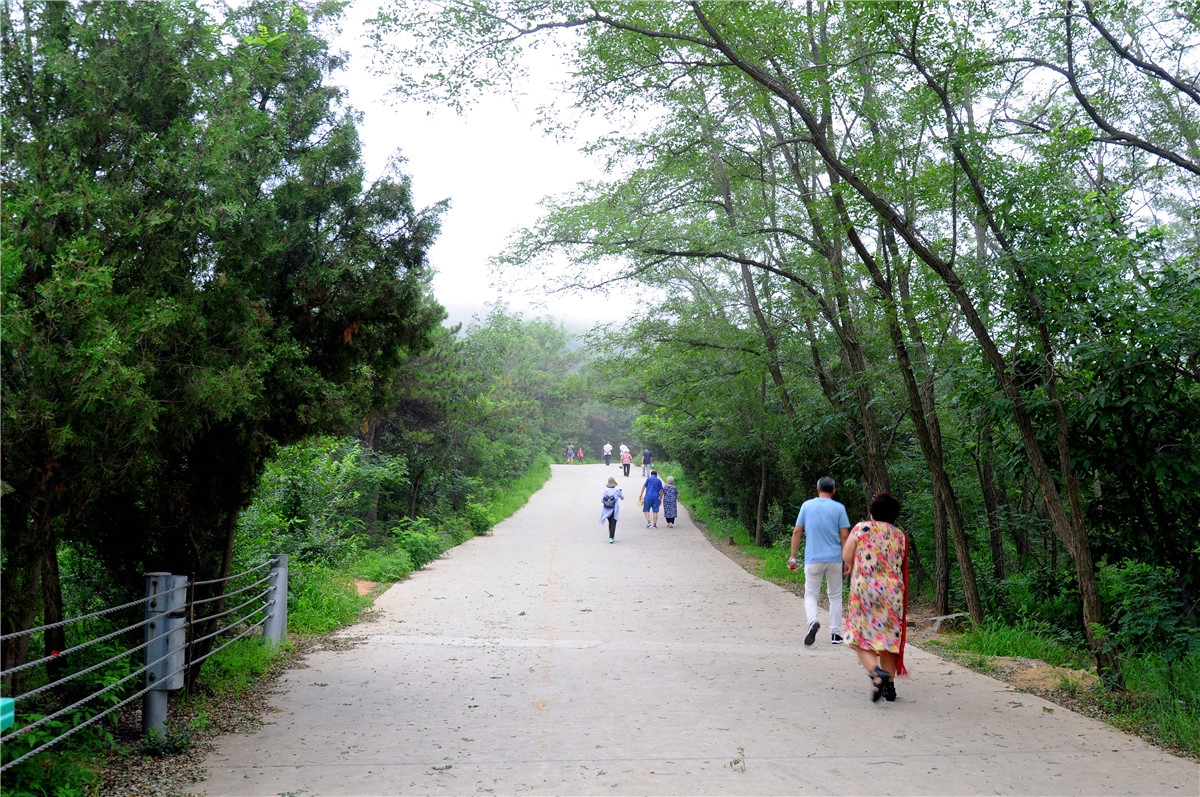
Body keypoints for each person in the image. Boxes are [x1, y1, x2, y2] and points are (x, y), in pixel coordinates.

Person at [843, 491, 909, 702]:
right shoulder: (900, 535)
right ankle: (890, 688)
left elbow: (847, 554)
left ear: (872, 511)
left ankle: (876, 673)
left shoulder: (862, 528)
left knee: (858, 637)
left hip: (865, 590)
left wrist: (851, 563)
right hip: (892, 592)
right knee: (887, 639)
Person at [788, 476, 851, 647]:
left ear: (817, 489)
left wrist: (793, 556)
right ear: (834, 491)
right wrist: (848, 559)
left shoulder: (807, 506)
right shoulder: (839, 508)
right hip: (834, 559)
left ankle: (813, 621)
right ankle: (836, 634)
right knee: (835, 596)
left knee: (810, 594)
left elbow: (797, 531)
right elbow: (845, 535)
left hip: (813, 558)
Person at [599, 476, 624, 543]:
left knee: (610, 523)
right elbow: (622, 498)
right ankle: (611, 537)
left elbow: (602, 500)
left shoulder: (606, 491)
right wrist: (620, 493)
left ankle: (610, 536)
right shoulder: (617, 491)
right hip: (614, 510)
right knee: (613, 523)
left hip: (607, 509)